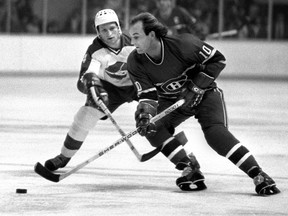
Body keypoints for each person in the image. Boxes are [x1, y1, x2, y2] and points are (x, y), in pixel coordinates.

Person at [44, 9, 206, 191]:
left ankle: (186, 162)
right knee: (84, 115)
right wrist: (91, 85)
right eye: (103, 30)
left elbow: (159, 58)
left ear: (119, 27)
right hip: (111, 90)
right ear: (97, 32)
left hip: (141, 84)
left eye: (112, 28)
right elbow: (85, 77)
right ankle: (64, 157)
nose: (109, 34)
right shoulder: (95, 51)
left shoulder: (134, 42)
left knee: (155, 123)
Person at [127, 12, 280, 195]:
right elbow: (147, 96)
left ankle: (259, 174)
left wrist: (196, 87)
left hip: (205, 94)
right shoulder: (135, 61)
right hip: (172, 101)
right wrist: (145, 114)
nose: (132, 42)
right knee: (152, 128)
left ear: (151, 34)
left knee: (215, 134)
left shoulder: (184, 44)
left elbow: (218, 60)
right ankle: (190, 169)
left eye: (136, 37)